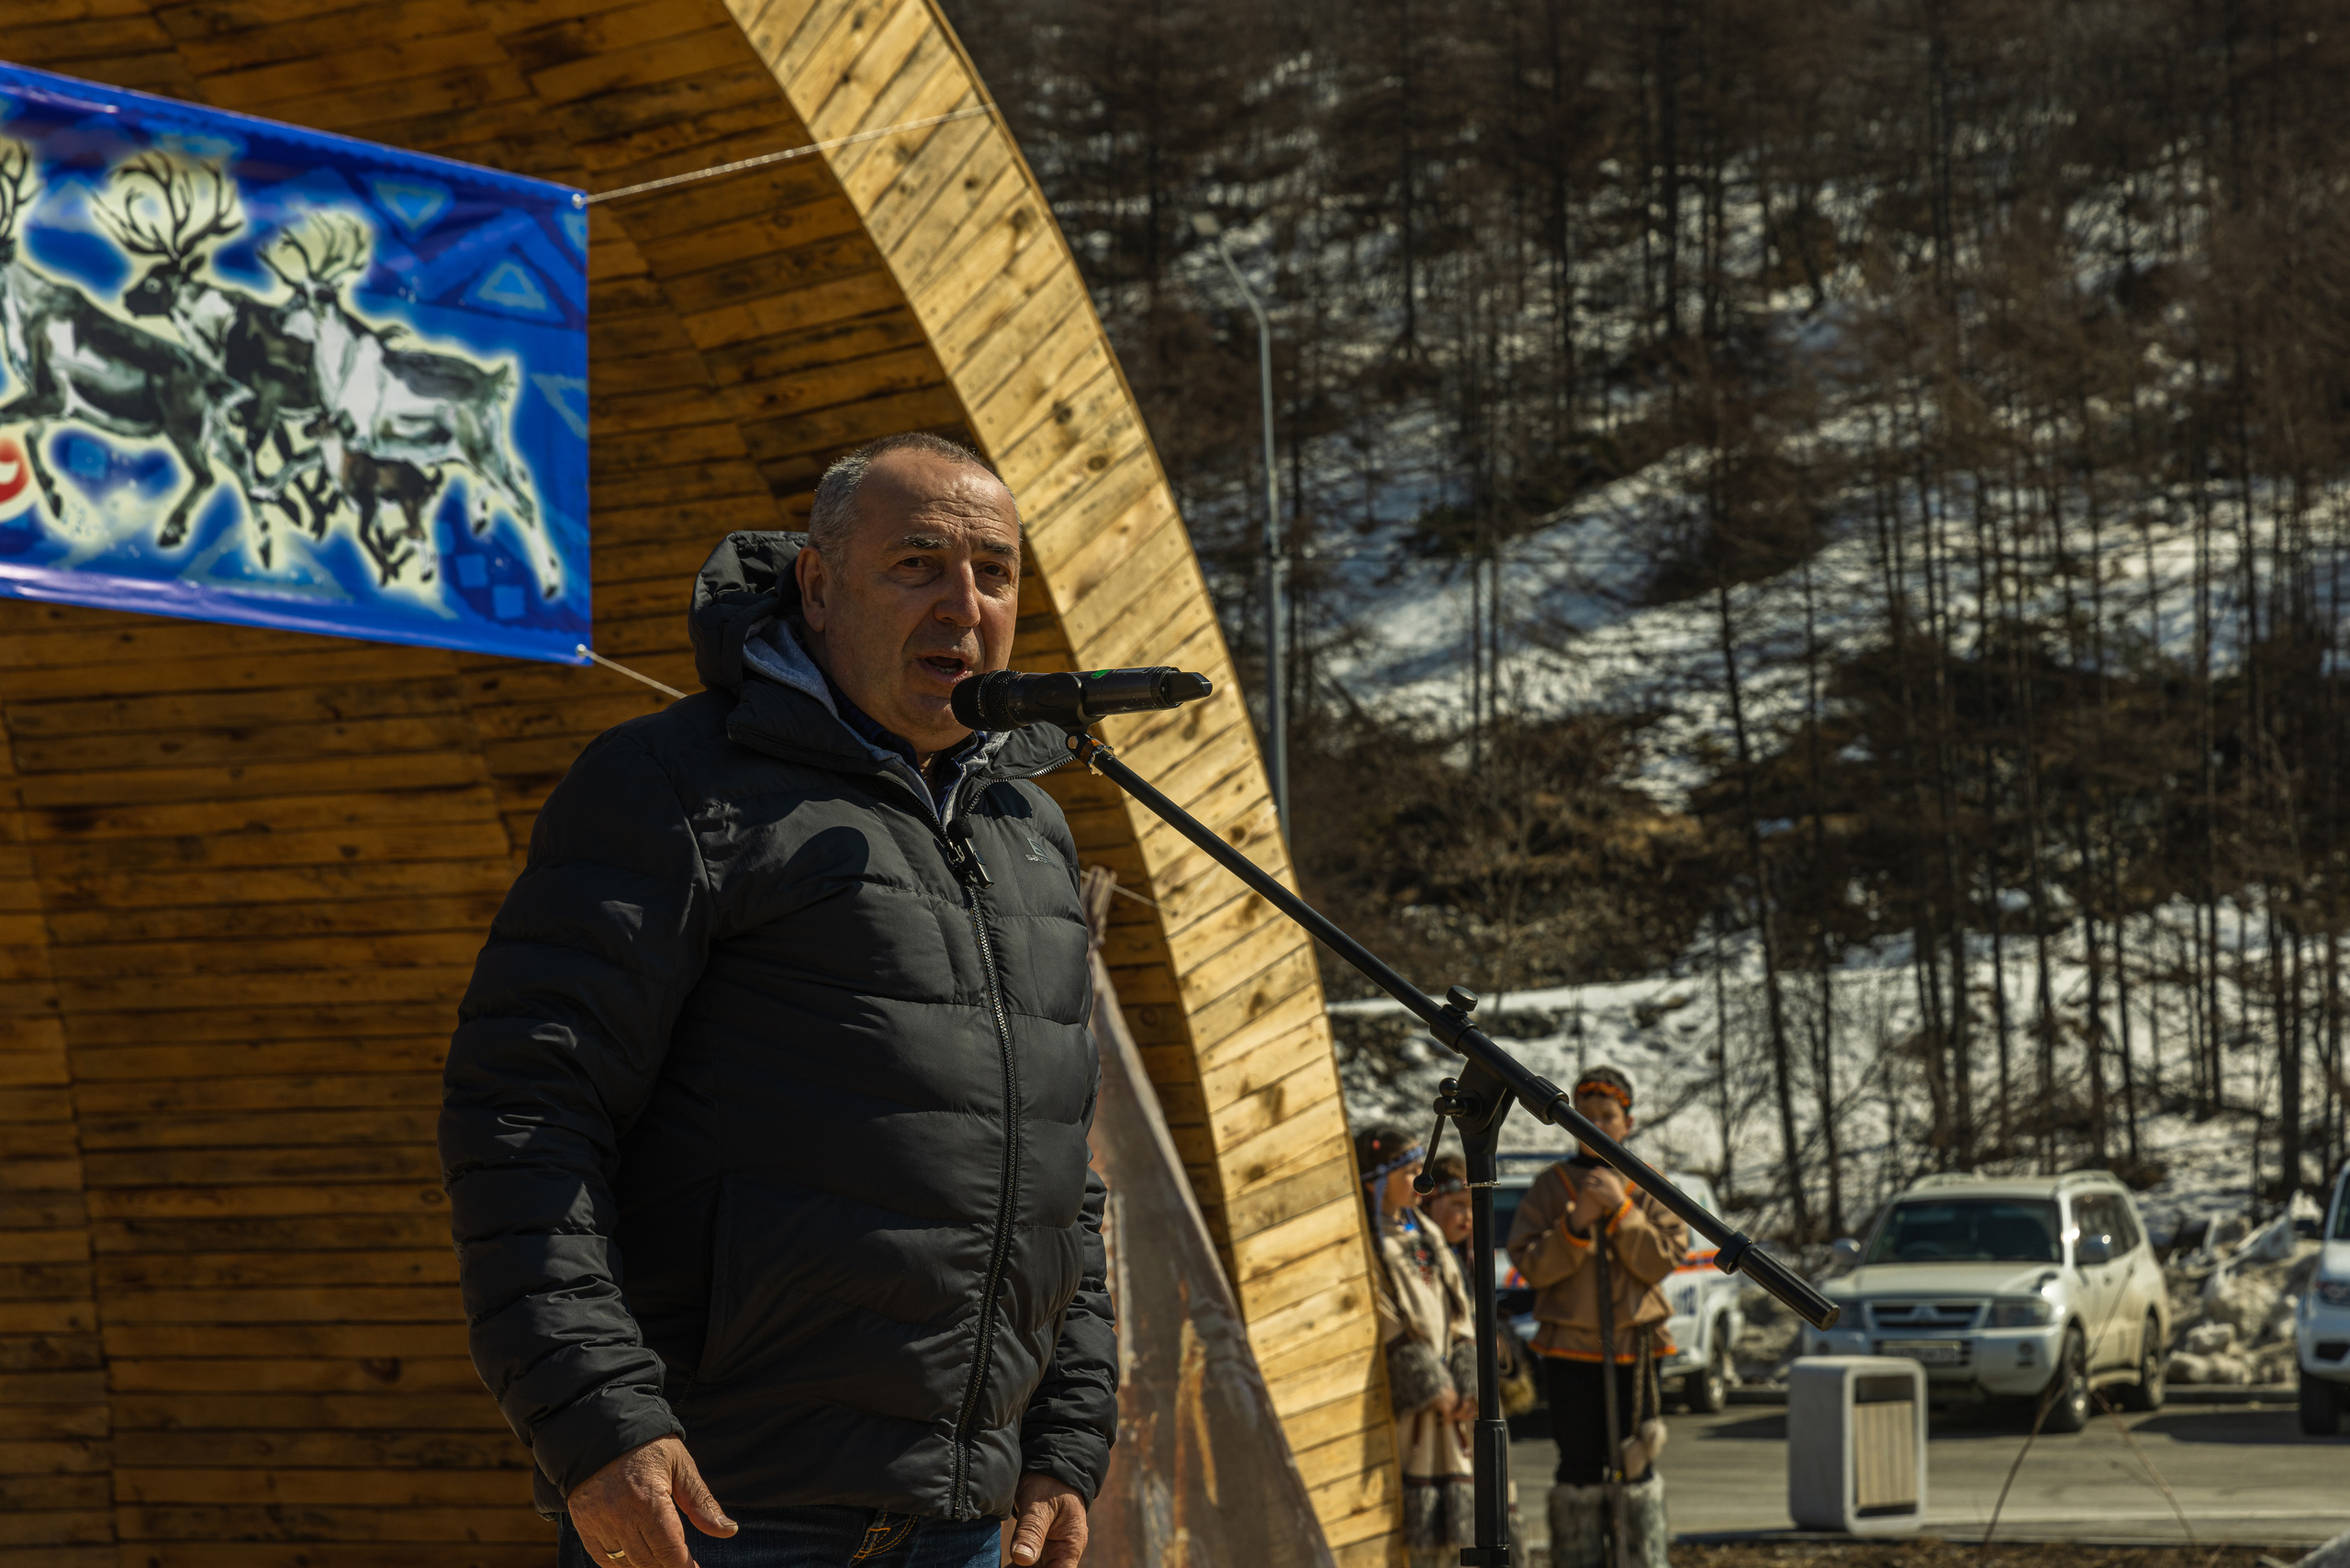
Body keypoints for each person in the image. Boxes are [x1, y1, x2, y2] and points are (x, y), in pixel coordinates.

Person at [440, 433, 1115, 1568]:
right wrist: (598, 1421)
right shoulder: (672, 786)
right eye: (916, 564)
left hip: (962, 1526)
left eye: (993, 571)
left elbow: (1058, 1177)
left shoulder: (1028, 832)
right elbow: (525, 1116)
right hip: (721, 1513)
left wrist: (1064, 1435)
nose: (963, 604)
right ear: (815, 583)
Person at [1503, 1067, 1685, 1568]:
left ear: (1628, 1122)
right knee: (1579, 1465)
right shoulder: (1549, 1186)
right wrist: (1577, 1223)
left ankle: (1639, 1556)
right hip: (1570, 1348)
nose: (1597, 1124)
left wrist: (1622, 1211)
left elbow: (1661, 1259)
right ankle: (1579, 1557)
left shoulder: (1649, 1183)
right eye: (1586, 1116)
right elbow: (1533, 1265)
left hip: (1637, 1344)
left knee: (1637, 1460)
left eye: (1608, 1116)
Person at [1356, 1125, 1476, 1568]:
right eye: (1410, 1172)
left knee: (1464, 1528)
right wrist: (1430, 1383)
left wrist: (1465, 1377)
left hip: (1452, 1405)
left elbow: (1460, 1309)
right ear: (1378, 1179)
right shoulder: (1368, 1240)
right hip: (1412, 1409)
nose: (1421, 1181)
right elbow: (1383, 1317)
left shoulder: (1426, 1231)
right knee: (1415, 1532)